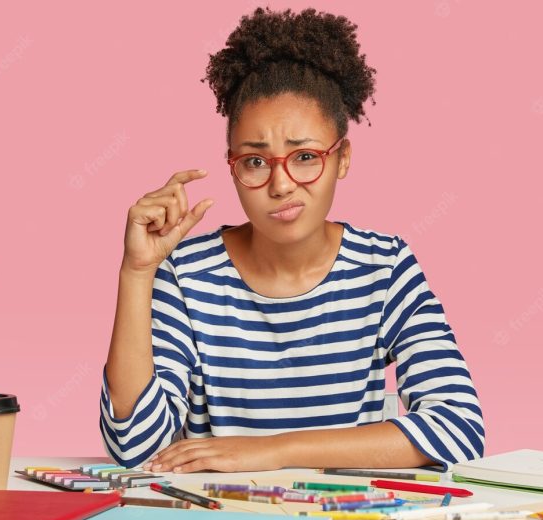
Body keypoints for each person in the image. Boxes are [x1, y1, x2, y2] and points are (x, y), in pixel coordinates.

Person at [100, 6, 484, 474]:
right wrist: (137, 272)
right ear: (233, 165)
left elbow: (459, 428)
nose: (281, 185)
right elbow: (135, 448)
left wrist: (274, 450)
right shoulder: (186, 274)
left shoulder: (384, 267)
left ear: (342, 158)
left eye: (304, 156)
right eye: (256, 162)